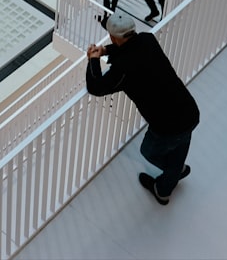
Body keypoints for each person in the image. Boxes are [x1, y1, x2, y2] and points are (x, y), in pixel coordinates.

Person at [86, 12, 200, 206]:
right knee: (180, 146)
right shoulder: (148, 39)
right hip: (188, 110)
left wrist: (93, 59)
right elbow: (129, 48)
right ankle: (174, 173)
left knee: (149, 151)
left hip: (167, 124)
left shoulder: (122, 68)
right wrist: (105, 51)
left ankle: (166, 184)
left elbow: (96, 87)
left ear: (113, 37)